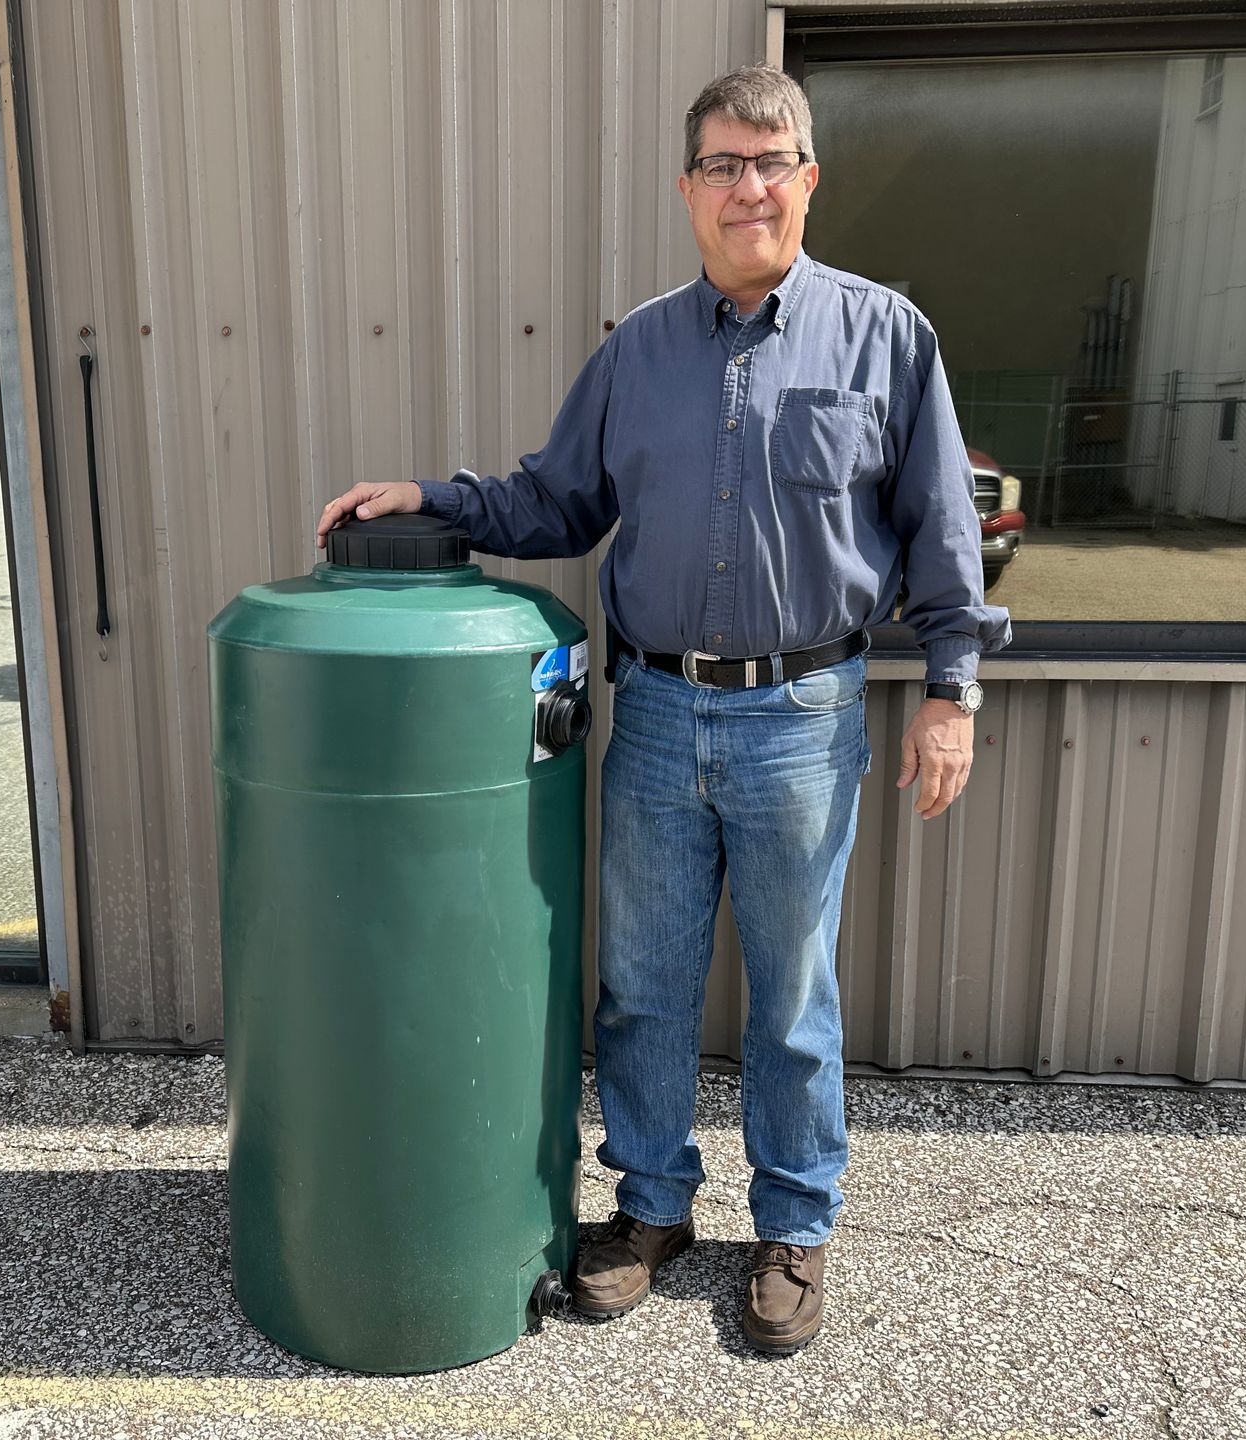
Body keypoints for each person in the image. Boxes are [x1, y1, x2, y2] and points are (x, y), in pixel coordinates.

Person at [316, 63, 1010, 1356]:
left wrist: (951, 689)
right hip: (654, 716)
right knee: (641, 987)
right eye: (722, 165)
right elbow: (554, 502)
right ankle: (651, 1209)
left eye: (771, 162)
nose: (748, 188)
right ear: (688, 190)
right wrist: (430, 499)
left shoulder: (886, 338)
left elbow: (939, 532)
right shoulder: (636, 351)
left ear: (809, 179)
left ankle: (793, 1225)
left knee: (793, 994)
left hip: (804, 715)